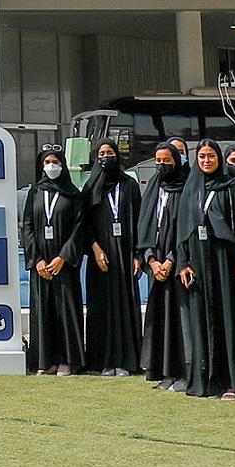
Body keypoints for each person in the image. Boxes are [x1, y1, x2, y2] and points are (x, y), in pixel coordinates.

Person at [177, 140, 235, 400]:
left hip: (226, 260)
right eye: (201, 156)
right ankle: (207, 381)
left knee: (229, 319)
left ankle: (233, 382)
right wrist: (183, 263)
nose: (206, 161)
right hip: (198, 260)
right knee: (202, 320)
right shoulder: (191, 190)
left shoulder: (231, 187)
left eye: (211, 156)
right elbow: (182, 231)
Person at [79, 138, 143, 376]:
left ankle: (127, 361)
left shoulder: (129, 185)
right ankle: (103, 361)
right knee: (102, 308)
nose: (106, 157)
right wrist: (95, 248)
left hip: (126, 254)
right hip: (101, 258)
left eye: (110, 152)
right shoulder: (90, 188)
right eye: (102, 153)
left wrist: (138, 254)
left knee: (126, 307)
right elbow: (83, 224)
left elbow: (140, 220)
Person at [21, 144, 85, 375]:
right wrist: (36, 259)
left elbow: (79, 228)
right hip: (41, 266)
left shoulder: (73, 194)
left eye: (55, 163)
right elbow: (27, 226)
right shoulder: (35, 192)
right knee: (43, 311)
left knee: (66, 311)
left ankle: (68, 360)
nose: (51, 167)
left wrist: (63, 257)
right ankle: (44, 361)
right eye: (47, 163)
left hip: (63, 265)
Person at [137, 142, 192, 392]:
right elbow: (145, 226)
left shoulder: (186, 189)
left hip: (177, 263)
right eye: (158, 160)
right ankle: (164, 372)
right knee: (160, 319)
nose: (162, 165)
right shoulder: (153, 189)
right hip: (156, 265)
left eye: (167, 160)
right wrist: (151, 259)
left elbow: (185, 229)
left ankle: (183, 372)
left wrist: (170, 260)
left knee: (180, 320)